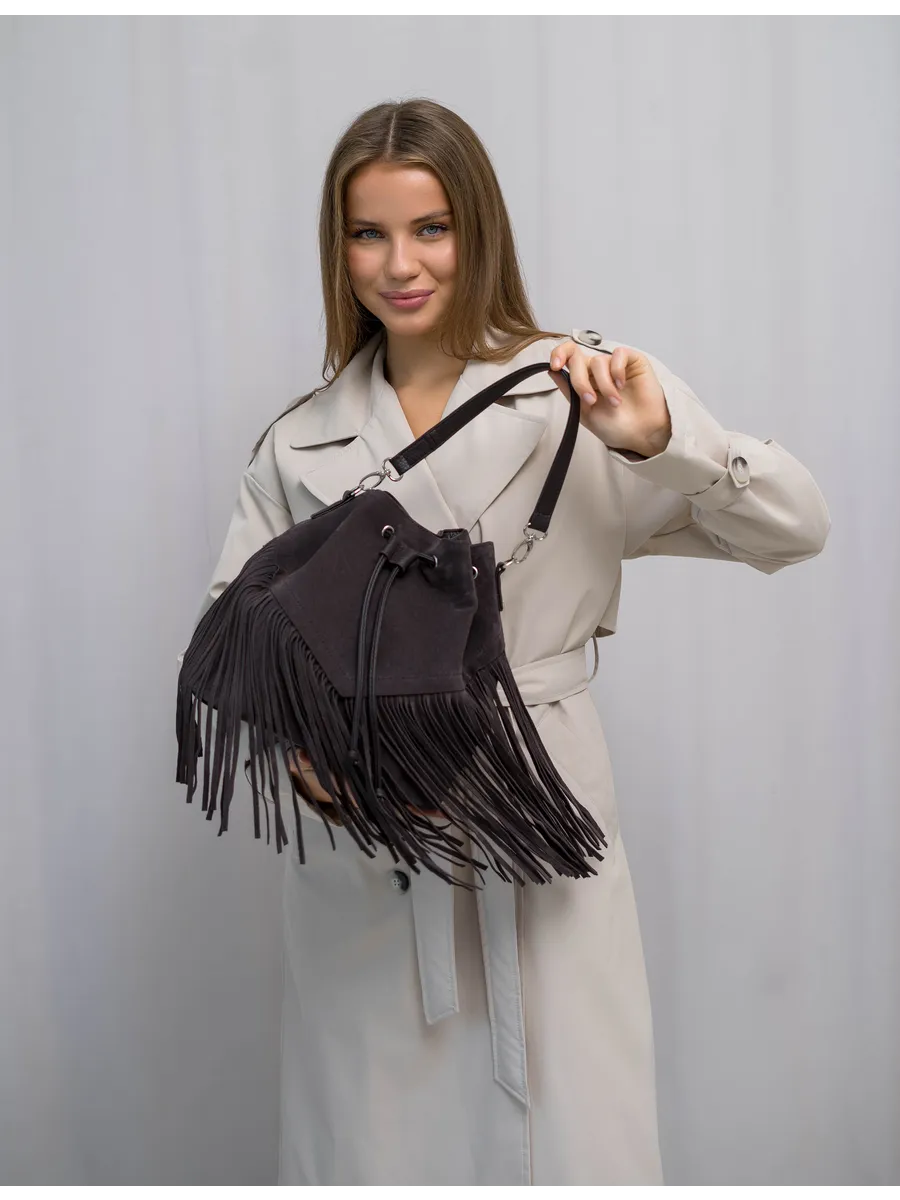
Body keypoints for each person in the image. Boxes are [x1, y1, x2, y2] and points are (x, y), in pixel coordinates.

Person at [178, 98, 830, 1191]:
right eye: (368, 233)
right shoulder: (299, 443)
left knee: (569, 1143)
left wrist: (664, 440)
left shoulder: (577, 391)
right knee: (376, 1149)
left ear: (477, 228)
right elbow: (232, 652)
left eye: (430, 228)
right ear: (338, 247)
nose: (400, 265)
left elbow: (795, 528)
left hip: (539, 823)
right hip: (374, 855)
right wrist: (314, 766)